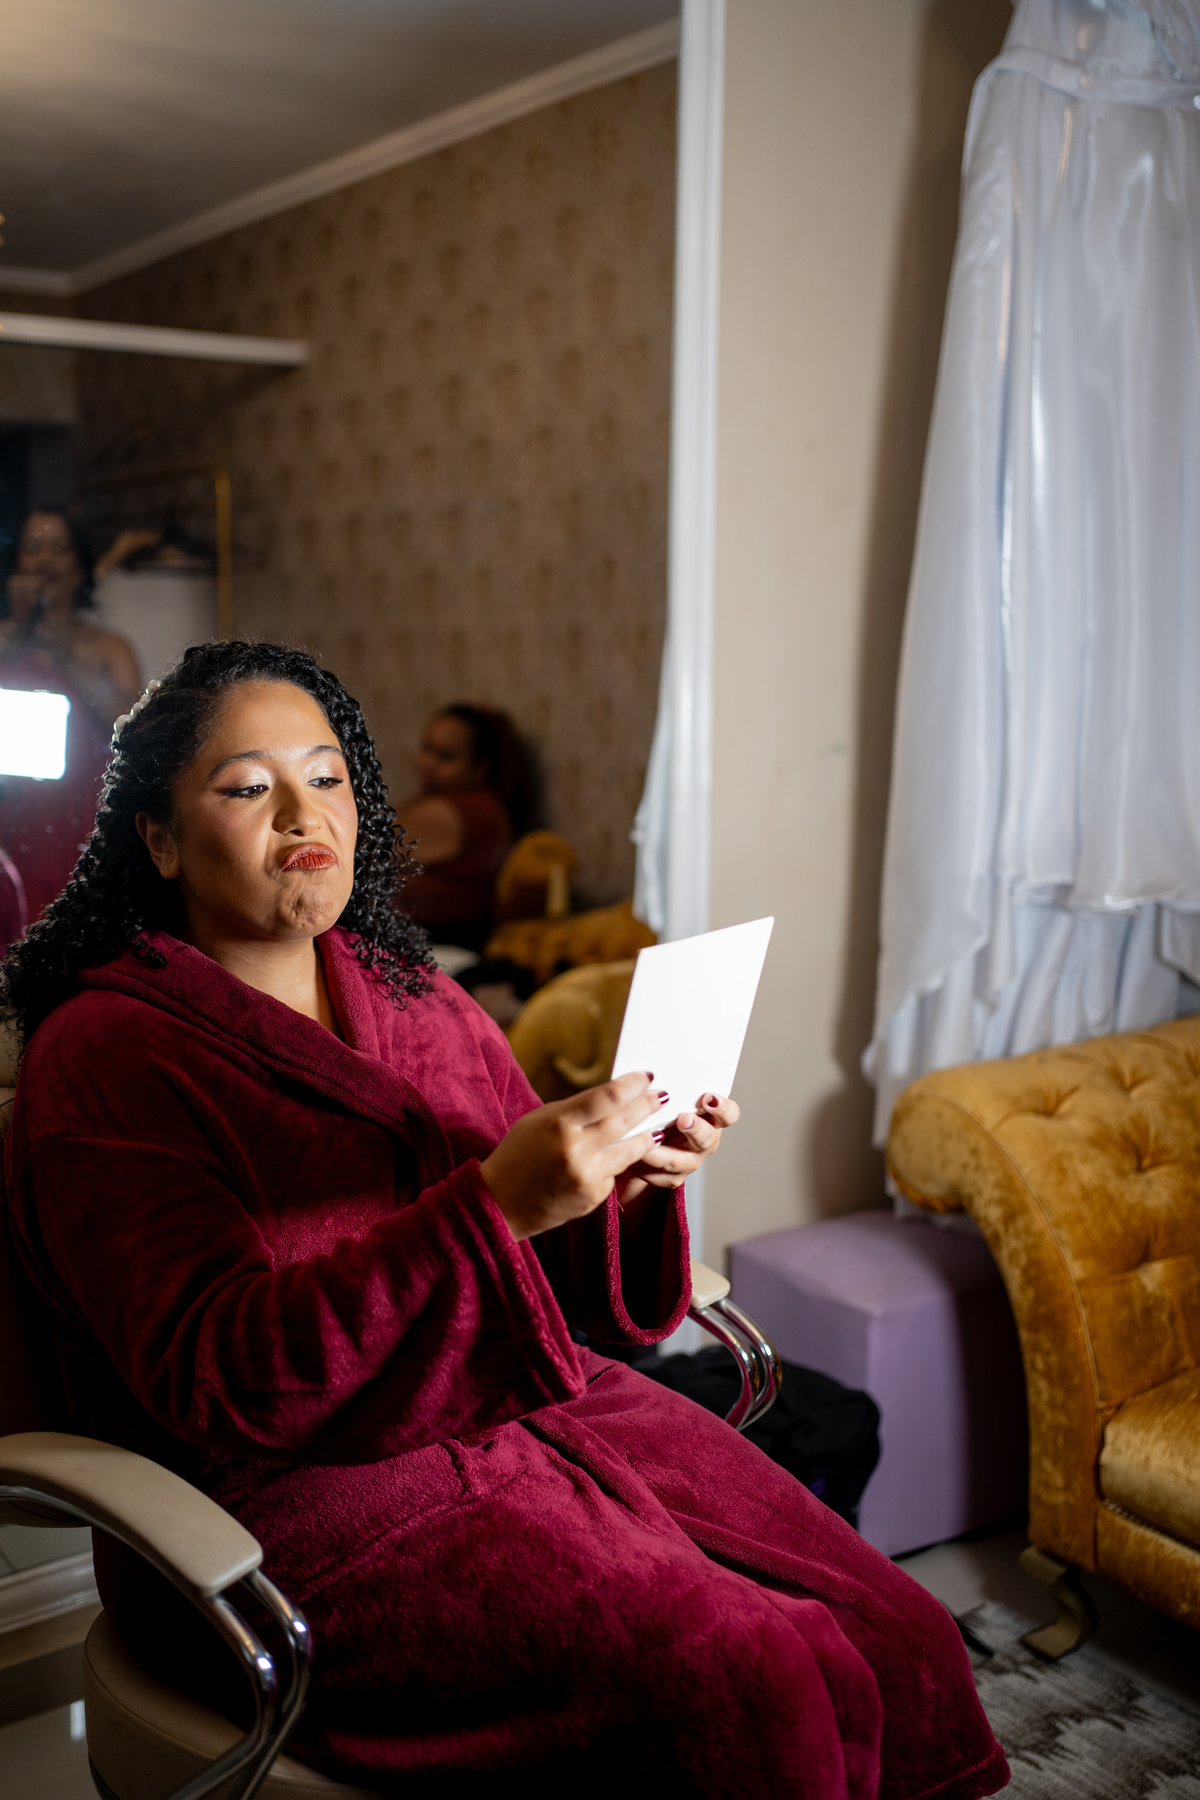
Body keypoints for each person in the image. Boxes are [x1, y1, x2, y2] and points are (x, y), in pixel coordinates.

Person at [1, 642, 1008, 1800]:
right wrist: (495, 1208)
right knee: (750, 1675)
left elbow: (572, 1292)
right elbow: (222, 1372)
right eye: (246, 787)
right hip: (290, 1502)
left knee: (896, 1627)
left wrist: (630, 1184)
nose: (301, 813)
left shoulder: (418, 999)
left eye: (326, 778)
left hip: (527, 1404)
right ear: (161, 839)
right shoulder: (109, 1059)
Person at [0, 508, 141, 922]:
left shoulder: (108, 647)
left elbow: (136, 727)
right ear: (17, 563)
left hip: (85, 814)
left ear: (79, 569)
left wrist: (69, 660)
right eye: (33, 547)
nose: (45, 559)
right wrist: (18, 630)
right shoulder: (2, 640)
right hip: (12, 812)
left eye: (59, 548)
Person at [397, 703, 535, 951]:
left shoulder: (464, 810)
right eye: (426, 748)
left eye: (445, 756)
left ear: (481, 767)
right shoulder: (452, 801)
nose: (428, 763)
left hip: (439, 944)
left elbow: (356, 852)